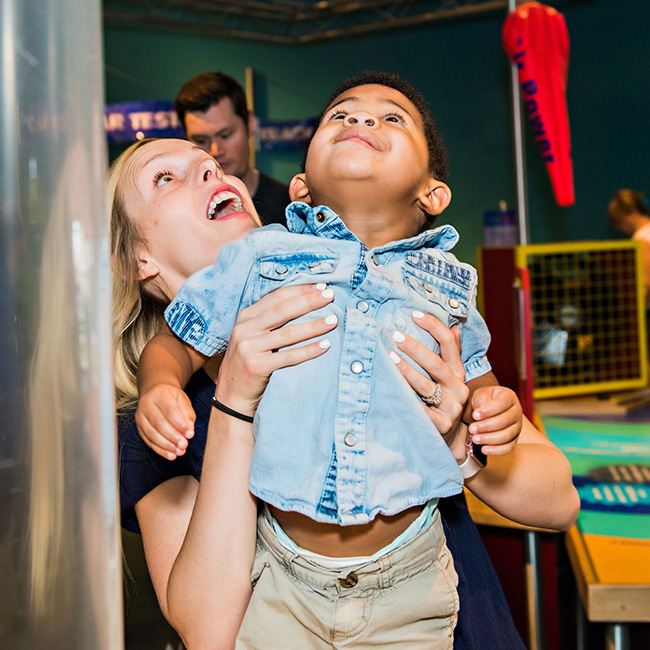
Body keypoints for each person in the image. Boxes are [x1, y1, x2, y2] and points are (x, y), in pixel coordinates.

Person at [130, 73, 579, 648]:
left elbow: (501, 418)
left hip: (411, 579)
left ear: (432, 195)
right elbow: (170, 346)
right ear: (301, 187)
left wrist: (481, 422)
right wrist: (161, 387)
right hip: (287, 583)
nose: (361, 121)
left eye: (392, 119)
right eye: (340, 116)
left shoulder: (447, 289)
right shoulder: (262, 261)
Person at [174, 71, 290, 226]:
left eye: (225, 135)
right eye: (201, 140)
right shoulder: (181, 215)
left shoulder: (290, 208)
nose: (215, 151)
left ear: (249, 124)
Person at [607, 188, 650, 300]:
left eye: (618, 221)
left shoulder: (641, 240)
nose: (618, 228)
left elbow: (645, 282)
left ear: (629, 214)